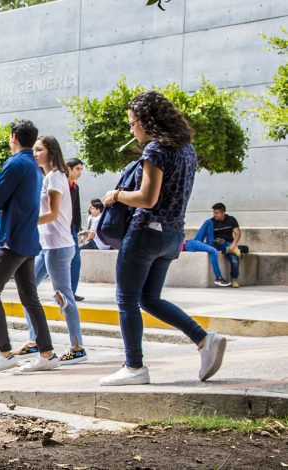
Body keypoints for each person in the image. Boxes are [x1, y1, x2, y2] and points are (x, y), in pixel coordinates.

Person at [100, 90, 226, 386]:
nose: (131, 130)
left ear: (147, 121)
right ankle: (203, 339)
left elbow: (146, 197)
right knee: (149, 298)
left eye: (133, 123)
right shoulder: (187, 149)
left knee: (126, 298)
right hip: (172, 235)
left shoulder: (155, 150)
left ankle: (134, 367)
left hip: (146, 233)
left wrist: (115, 195)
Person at [0, 120, 59, 374]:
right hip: (28, 239)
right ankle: (47, 353)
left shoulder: (15, 163)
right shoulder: (34, 166)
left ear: (13, 137)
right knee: (30, 298)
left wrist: (0, 241)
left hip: (13, 240)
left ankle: (5, 353)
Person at [19, 136, 87, 365]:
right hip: (48, 246)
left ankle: (78, 347)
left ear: (51, 151)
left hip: (58, 247)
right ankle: (35, 340)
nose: (34, 153)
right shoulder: (48, 176)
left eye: (39, 150)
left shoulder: (56, 177)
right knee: (27, 290)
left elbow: (53, 214)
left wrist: (26, 222)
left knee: (64, 297)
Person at [184, 203, 241, 287]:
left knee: (234, 260)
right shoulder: (211, 222)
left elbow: (238, 233)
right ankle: (219, 276)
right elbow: (209, 237)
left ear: (223, 213)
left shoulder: (231, 219)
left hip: (229, 243)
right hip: (215, 244)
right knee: (210, 241)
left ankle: (234, 280)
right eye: (214, 213)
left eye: (217, 213)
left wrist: (234, 244)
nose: (215, 215)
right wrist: (214, 241)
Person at [67, 158, 85, 302]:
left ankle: (70, 292)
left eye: (81, 169)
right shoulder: (60, 185)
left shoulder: (75, 187)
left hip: (71, 230)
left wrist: (76, 228)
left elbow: (77, 209)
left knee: (75, 261)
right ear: (68, 168)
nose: (80, 172)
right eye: (77, 169)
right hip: (59, 230)